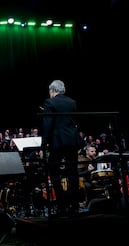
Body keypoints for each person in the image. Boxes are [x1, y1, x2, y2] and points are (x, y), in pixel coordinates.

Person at [41, 80, 81, 216]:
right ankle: (74, 204)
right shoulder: (72, 102)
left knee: (53, 171)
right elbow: (75, 121)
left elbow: (47, 125)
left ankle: (62, 203)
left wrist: (43, 145)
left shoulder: (49, 102)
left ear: (52, 90)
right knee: (72, 172)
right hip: (71, 140)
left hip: (57, 141)